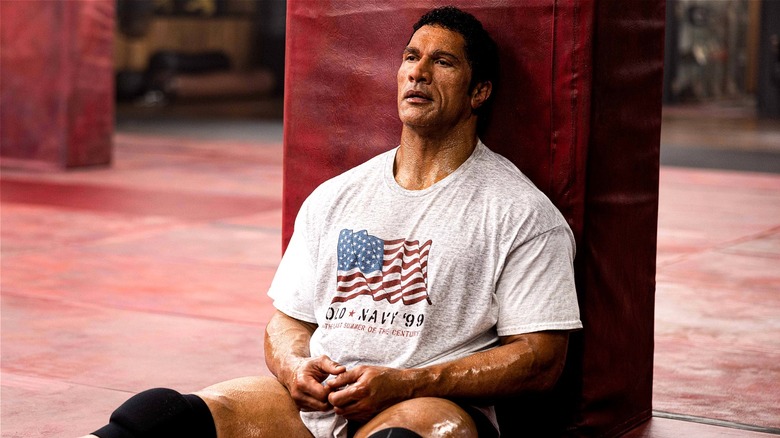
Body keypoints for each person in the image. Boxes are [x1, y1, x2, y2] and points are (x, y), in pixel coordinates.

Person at [84, 6, 581, 438]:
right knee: (160, 415)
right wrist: (295, 366)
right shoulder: (337, 196)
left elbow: (541, 358)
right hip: (319, 408)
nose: (418, 72)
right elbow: (287, 323)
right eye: (411, 57)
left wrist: (408, 382)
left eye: (443, 61)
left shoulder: (520, 212)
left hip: (425, 405)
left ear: (479, 92)